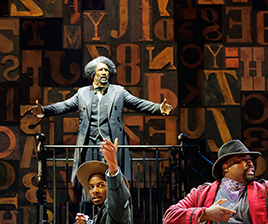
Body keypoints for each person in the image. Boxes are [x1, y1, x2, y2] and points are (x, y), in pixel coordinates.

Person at [30, 56, 173, 182]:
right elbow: (64, 106)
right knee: (88, 177)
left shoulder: (119, 92)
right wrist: (44, 110)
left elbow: (138, 103)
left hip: (110, 144)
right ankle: (87, 204)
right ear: (93, 74)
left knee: (112, 176)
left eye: (106, 70)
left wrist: (159, 108)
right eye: (101, 70)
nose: (105, 72)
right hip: (88, 144)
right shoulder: (82, 93)